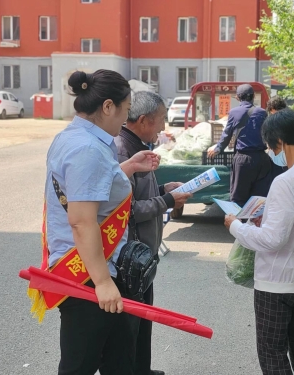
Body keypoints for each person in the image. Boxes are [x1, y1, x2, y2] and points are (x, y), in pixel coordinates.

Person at [43, 69, 159, 375]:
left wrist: (127, 167)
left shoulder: (80, 138)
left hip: (98, 267)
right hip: (89, 276)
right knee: (82, 365)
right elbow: (82, 221)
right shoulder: (87, 149)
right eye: (124, 110)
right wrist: (104, 283)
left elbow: (92, 188)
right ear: (108, 107)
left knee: (120, 360)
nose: (125, 118)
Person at [224, 108, 294, 375]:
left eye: (269, 146)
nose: (270, 152)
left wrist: (236, 226)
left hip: (277, 284)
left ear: (279, 143)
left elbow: (273, 239)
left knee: (272, 351)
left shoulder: (286, 181)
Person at [113, 91, 192, 375]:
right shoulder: (124, 149)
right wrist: (168, 202)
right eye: (160, 120)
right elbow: (128, 210)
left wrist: (162, 191)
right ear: (144, 120)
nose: (162, 128)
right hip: (129, 256)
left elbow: (139, 195)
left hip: (143, 254)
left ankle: (142, 370)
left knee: (144, 318)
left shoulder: (139, 144)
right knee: (130, 325)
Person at [207, 84, 275, 206]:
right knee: (260, 198)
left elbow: (227, 134)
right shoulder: (262, 113)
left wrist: (218, 149)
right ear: (253, 96)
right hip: (262, 159)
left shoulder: (234, 112)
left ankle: (239, 224)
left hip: (243, 160)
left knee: (238, 198)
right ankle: (256, 224)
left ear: (238, 97)